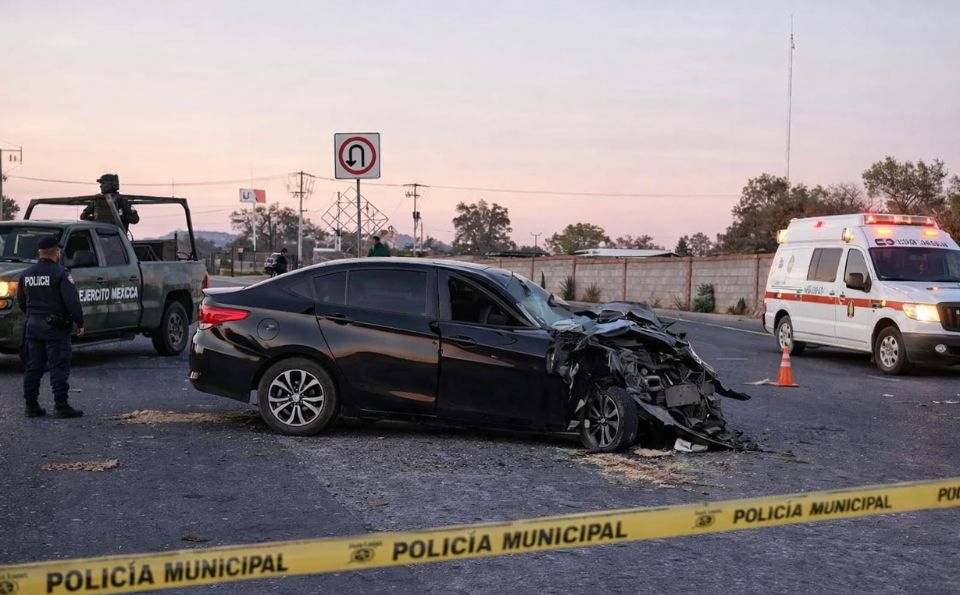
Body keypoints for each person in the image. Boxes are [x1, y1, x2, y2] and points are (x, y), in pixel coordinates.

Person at [16, 236, 85, 418]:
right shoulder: (60, 273)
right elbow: (72, 301)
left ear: (39, 253)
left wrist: (33, 316)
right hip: (55, 327)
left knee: (34, 367)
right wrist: (80, 322)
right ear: (56, 252)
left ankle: (31, 407)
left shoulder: (26, 274)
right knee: (59, 366)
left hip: (32, 326)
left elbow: (21, 302)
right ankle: (61, 406)